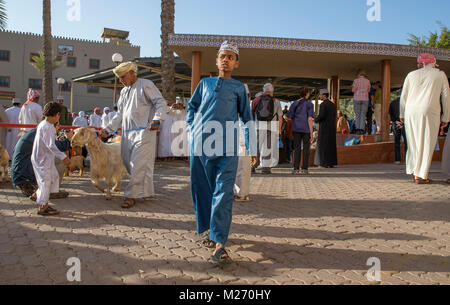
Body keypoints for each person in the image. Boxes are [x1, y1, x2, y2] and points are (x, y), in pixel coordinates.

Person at [187, 41, 256, 263]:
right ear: (216, 61)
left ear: (236, 63)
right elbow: (192, 107)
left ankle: (219, 244)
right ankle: (208, 229)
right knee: (202, 189)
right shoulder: (204, 84)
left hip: (227, 147)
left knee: (224, 192)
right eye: (222, 56)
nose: (225, 60)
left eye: (230, 57)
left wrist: (251, 146)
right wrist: (191, 129)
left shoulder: (238, 88)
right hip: (201, 146)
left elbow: (246, 119)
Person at [100, 62, 167, 208]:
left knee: (138, 165)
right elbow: (120, 115)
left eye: (123, 77)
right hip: (127, 134)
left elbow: (160, 102)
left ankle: (131, 196)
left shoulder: (146, 84)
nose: (121, 81)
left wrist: (157, 119)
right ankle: (144, 190)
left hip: (144, 133)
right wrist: (108, 128)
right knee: (129, 163)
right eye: (119, 78)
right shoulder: (124, 92)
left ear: (132, 73)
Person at [400, 53, 449, 184]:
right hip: (430, 111)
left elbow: (403, 96)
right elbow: (446, 96)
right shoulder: (440, 74)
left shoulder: (411, 75)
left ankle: (416, 173)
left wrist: (402, 114)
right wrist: (446, 117)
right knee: (427, 142)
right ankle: (421, 175)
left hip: (410, 111)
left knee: (413, 143)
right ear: (434, 62)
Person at [29, 102, 71, 216]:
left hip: (42, 157)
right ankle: (43, 206)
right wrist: (64, 157)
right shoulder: (48, 127)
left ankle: (37, 195)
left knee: (53, 176)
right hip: (43, 159)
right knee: (46, 182)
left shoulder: (44, 124)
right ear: (57, 114)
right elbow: (51, 145)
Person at [11, 127, 72, 197]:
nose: (59, 128)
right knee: (60, 159)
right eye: (57, 125)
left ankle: (33, 186)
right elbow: (57, 146)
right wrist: (69, 139)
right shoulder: (42, 134)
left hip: (19, 174)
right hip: (24, 174)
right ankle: (52, 191)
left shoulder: (33, 132)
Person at [251, 83, 283, 174]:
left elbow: (251, 114)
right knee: (268, 147)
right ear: (272, 91)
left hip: (258, 126)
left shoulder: (256, 100)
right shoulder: (276, 101)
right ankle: (266, 167)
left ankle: (253, 165)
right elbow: (280, 117)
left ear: (263, 90)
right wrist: (279, 129)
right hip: (271, 127)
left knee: (256, 146)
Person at [287, 87, 314, 175]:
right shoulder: (309, 104)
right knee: (306, 149)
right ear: (306, 94)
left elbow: (289, 116)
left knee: (297, 148)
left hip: (296, 128)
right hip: (306, 129)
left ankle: (295, 169)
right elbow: (310, 119)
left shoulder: (294, 103)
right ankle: (304, 169)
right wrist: (311, 132)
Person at [234, 84, 253, 202]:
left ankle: (234, 193)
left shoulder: (231, 107)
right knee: (244, 169)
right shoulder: (246, 109)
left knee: (234, 169)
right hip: (243, 142)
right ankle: (242, 195)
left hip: (231, 142)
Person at [315, 89, 338, 168]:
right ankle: (330, 162)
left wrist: (315, 120)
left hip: (324, 127)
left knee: (323, 145)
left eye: (320, 95)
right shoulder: (332, 104)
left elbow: (321, 116)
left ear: (324, 95)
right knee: (331, 145)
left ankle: (323, 163)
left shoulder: (323, 105)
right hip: (331, 127)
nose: (319, 96)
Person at [389, 95, 407, 164]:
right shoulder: (406, 102)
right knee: (406, 142)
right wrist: (403, 123)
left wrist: (396, 122)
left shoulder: (392, 103)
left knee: (397, 142)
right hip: (405, 124)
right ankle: (407, 159)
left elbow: (391, 115)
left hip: (396, 124)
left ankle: (397, 160)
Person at [352, 70, 371, 135]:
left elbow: (353, 90)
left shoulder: (356, 80)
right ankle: (362, 129)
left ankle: (357, 129)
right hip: (365, 98)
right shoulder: (368, 81)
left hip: (357, 98)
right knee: (363, 115)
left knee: (357, 115)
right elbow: (368, 91)